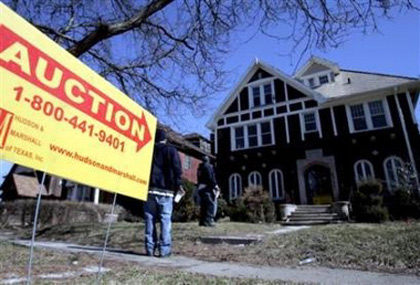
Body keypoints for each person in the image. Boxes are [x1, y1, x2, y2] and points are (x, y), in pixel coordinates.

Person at [144, 128, 182, 257]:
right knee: (165, 220)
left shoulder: (148, 150)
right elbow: (177, 169)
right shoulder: (171, 151)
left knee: (150, 219)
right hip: (167, 190)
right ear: (165, 139)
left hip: (150, 188)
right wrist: (178, 185)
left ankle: (150, 248)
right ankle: (164, 249)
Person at [197, 155, 219, 227]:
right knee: (210, 204)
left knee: (204, 205)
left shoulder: (200, 168)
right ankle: (209, 220)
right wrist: (215, 185)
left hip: (200, 187)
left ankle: (202, 221)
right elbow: (210, 177)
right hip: (207, 187)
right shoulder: (208, 167)